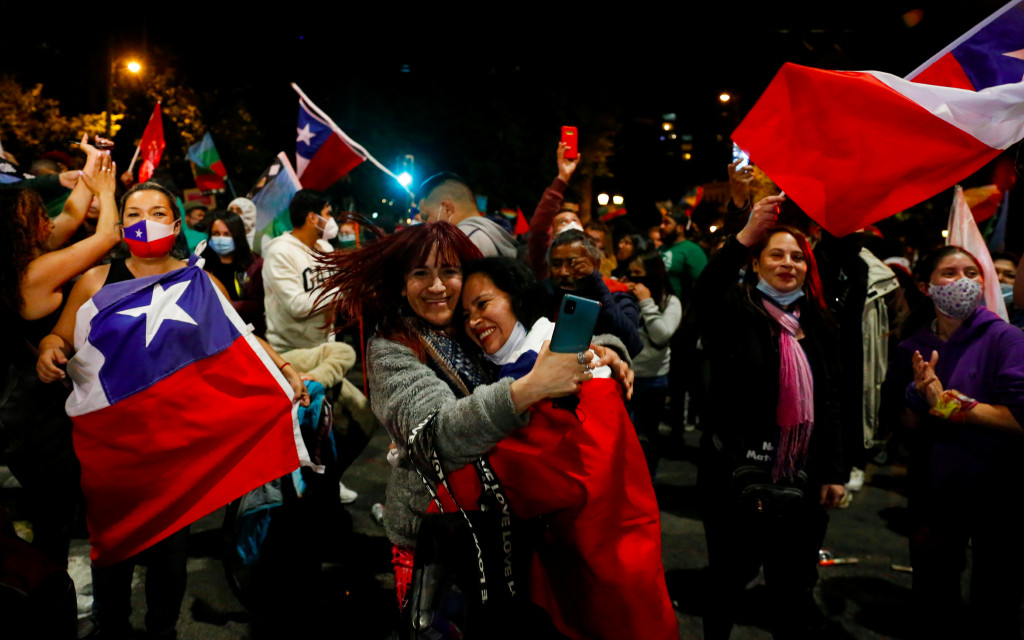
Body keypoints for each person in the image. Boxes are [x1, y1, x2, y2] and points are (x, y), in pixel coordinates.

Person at [317, 221, 630, 635]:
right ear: (401, 284)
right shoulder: (392, 346)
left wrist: (605, 349)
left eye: (448, 271)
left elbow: (538, 339)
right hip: (438, 538)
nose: (437, 287)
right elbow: (436, 434)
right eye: (420, 274)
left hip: (512, 524)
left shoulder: (470, 322)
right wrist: (526, 390)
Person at [35, 181, 307, 640]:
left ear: (176, 224)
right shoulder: (95, 281)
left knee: (169, 561)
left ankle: (163, 630)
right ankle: (112, 627)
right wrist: (48, 350)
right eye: (135, 212)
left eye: (158, 212)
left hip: (176, 455)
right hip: (114, 453)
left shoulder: (198, 280)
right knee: (112, 554)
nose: (146, 221)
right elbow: (59, 336)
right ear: (120, 226)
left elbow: (240, 337)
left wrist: (281, 367)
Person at [459, 257, 677, 640]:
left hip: (608, 553)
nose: (474, 320)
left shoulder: (554, 367)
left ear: (517, 299)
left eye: (483, 303)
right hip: (576, 555)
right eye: (465, 314)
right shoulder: (517, 365)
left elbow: (555, 468)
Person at [693, 195, 845, 639]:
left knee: (791, 588)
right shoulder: (735, 313)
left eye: (797, 257)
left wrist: (834, 470)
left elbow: (830, 399)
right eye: (775, 254)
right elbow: (706, 290)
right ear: (756, 264)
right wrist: (745, 235)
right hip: (734, 475)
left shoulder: (817, 322)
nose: (788, 263)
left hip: (801, 476)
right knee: (725, 580)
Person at [894, 245, 1024, 638]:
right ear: (925, 286)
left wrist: (949, 404)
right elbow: (908, 427)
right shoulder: (910, 345)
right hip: (935, 491)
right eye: (950, 273)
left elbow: (1020, 419)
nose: (964, 281)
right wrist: (917, 397)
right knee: (934, 598)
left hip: (998, 491)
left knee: (995, 602)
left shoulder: (1006, 339)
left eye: (972, 272)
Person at [0, 146, 120, 566]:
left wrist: (92, 167)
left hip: (36, 402)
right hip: (34, 413)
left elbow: (70, 213)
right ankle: (46, 590)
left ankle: (46, 582)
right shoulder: (32, 274)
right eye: (36, 214)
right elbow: (107, 237)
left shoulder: (27, 254)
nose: (48, 217)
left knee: (56, 512)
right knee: (53, 514)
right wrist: (107, 194)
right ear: (20, 228)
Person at [621, 251, 681, 475]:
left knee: (647, 436)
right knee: (623, 434)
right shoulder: (627, 297)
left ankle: (646, 480)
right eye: (631, 273)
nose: (634, 279)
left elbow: (661, 335)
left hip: (653, 379)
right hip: (625, 375)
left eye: (639, 274)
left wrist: (646, 303)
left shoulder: (670, 301)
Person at [544, 229, 643, 357]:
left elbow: (633, 345)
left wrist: (595, 282)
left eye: (573, 263)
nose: (563, 272)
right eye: (556, 264)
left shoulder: (618, 294)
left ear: (596, 263)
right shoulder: (546, 294)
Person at [417, 172, 517, 258]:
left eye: (426, 217)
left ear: (447, 209)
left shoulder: (465, 240)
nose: (424, 225)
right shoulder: (488, 233)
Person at [201, 209, 266, 336]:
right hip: (213, 331)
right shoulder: (203, 264)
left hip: (248, 331)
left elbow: (258, 304)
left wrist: (224, 306)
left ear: (237, 236)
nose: (220, 239)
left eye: (227, 234)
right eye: (216, 233)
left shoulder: (254, 264)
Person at [527, 142, 581, 279]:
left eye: (575, 220)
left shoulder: (592, 258)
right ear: (552, 233)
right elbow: (539, 228)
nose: (571, 224)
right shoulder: (546, 259)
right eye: (563, 222)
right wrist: (562, 178)